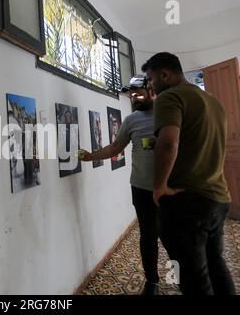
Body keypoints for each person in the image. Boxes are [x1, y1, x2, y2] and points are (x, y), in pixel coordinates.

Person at [142, 52, 235, 295]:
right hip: (218, 198)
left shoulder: (170, 96)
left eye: (151, 80)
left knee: (195, 279)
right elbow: (196, 140)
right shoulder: (212, 100)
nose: (151, 87)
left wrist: (159, 185)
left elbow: (169, 143)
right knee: (217, 267)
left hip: (188, 202)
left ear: (165, 74)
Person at [79, 75, 160, 295]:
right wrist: (90, 156)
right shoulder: (131, 121)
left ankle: (181, 278)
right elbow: (115, 148)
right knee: (148, 237)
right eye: (131, 95)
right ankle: (152, 281)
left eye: (139, 93)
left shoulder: (169, 113)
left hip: (170, 189)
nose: (134, 98)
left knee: (175, 238)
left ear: (151, 90)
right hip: (142, 188)